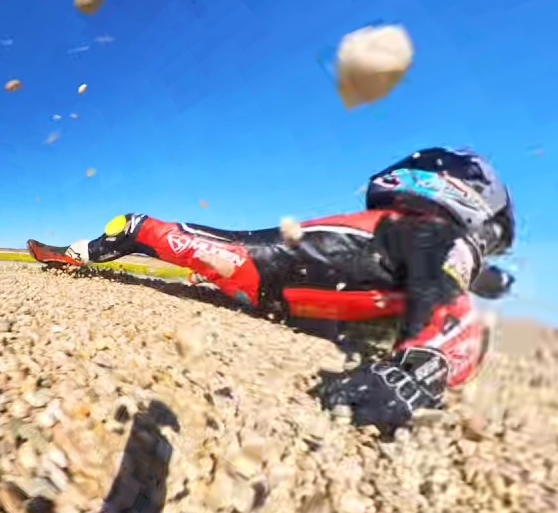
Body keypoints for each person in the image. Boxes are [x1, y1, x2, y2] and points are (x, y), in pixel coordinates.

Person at [27, 147, 517, 427]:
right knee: (140, 226)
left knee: (149, 230)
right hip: (264, 271)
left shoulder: (432, 240)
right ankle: (77, 254)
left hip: (273, 285)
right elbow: (449, 308)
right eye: (493, 229)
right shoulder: (433, 234)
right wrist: (418, 375)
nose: (488, 241)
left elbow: (447, 294)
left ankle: (81, 254)